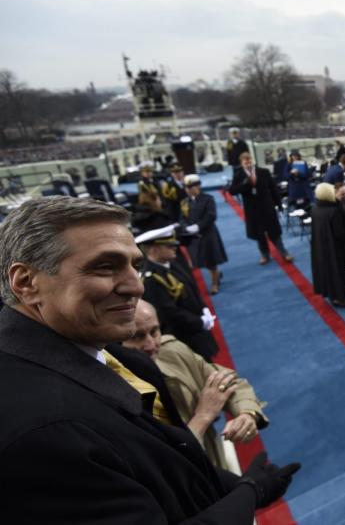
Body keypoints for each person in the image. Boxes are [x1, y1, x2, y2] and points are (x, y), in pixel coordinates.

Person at [0, 196, 299, 522]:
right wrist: (248, 493)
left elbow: (163, 471)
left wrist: (241, 487)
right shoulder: (41, 427)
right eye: (105, 266)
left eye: (136, 266)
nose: (135, 287)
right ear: (27, 283)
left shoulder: (107, 354)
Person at [121, 301, 268, 470]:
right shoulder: (115, 392)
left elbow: (231, 382)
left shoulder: (172, 351)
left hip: (214, 461)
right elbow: (160, 463)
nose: (151, 345)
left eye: (154, 331)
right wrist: (204, 416)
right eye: (137, 337)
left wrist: (246, 413)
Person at [138, 225, 220, 361]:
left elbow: (191, 289)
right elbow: (170, 313)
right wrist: (199, 322)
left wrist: (203, 309)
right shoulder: (151, 279)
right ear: (154, 250)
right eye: (169, 246)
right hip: (184, 338)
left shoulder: (172, 264)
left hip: (195, 331)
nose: (174, 248)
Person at [228, 152, 294, 265]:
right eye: (245, 160)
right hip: (252, 210)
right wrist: (245, 184)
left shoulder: (263, 172)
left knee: (275, 232)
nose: (248, 162)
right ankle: (264, 255)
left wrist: (278, 204)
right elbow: (232, 191)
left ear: (252, 160)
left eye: (249, 159)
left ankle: (284, 253)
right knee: (259, 234)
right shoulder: (239, 175)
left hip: (267, 207)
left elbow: (273, 189)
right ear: (242, 163)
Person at [181, 174, 228, 294]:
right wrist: (186, 227)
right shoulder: (184, 202)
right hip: (194, 237)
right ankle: (216, 274)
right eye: (187, 187)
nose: (189, 189)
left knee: (210, 260)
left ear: (198, 186)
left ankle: (214, 282)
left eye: (192, 186)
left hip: (207, 234)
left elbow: (211, 216)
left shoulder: (208, 198)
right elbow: (182, 218)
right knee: (200, 260)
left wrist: (198, 226)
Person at [310, 183, 345, 306]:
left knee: (327, 271)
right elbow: (340, 234)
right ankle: (341, 297)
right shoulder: (334, 211)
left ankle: (332, 295)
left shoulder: (314, 209)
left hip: (320, 247)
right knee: (338, 272)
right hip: (335, 248)